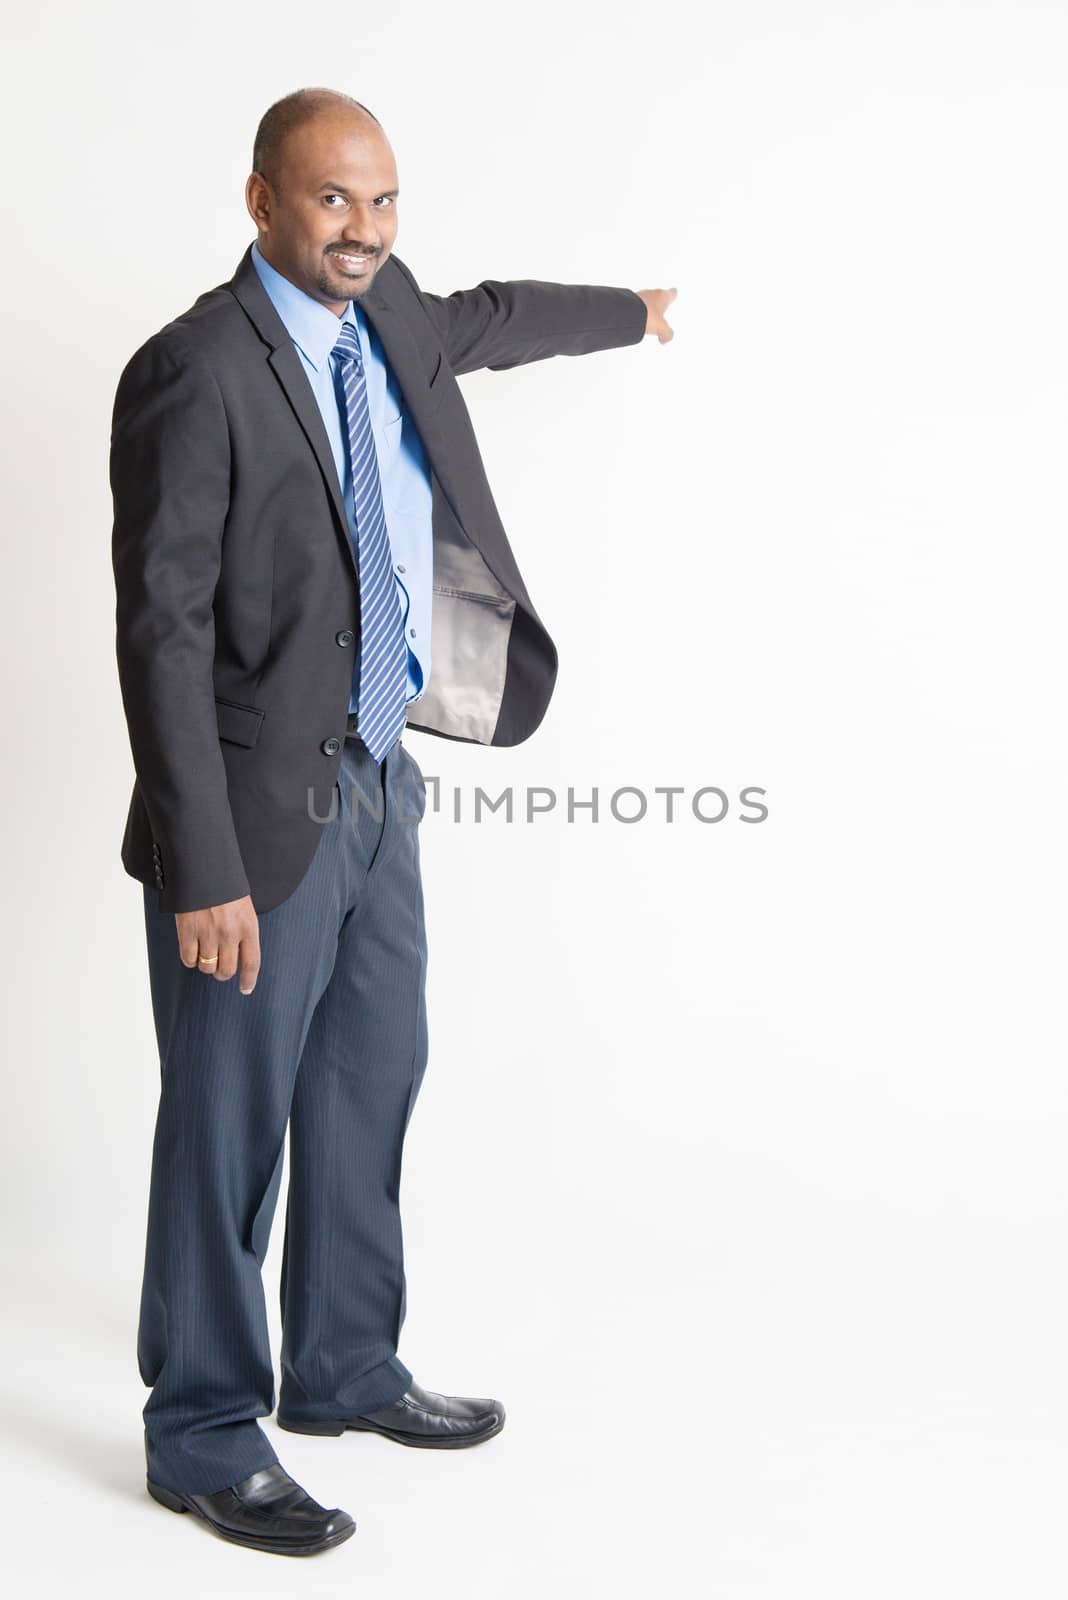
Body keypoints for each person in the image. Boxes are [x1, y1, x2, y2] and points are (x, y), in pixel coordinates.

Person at [110, 85, 676, 1558]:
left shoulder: (393, 312)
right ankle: (203, 1434)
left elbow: (491, 316)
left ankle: (345, 1367)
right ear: (260, 202)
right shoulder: (196, 370)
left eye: (383, 201)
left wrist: (635, 309)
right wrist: (201, 869)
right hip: (246, 817)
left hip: (377, 778)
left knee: (371, 1073)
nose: (362, 231)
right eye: (330, 202)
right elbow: (159, 637)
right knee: (229, 1128)